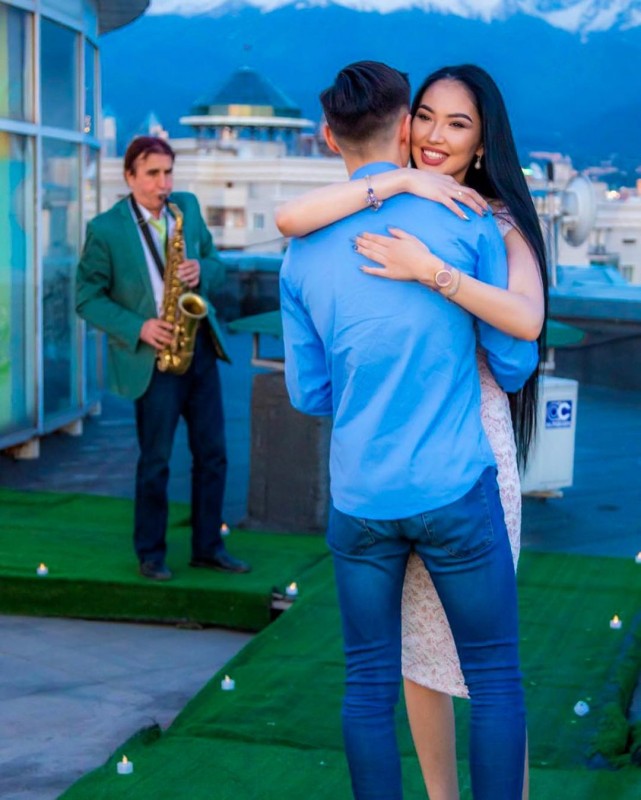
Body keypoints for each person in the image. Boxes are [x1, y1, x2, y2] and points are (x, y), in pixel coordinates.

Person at [276, 63, 547, 800]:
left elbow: (309, 393)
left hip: (361, 496)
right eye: (426, 117)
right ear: (403, 126)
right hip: (454, 484)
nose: (433, 134)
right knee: (493, 678)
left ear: (327, 135)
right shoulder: (467, 221)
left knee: (368, 684)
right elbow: (512, 362)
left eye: (456, 123)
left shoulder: (303, 249)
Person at [76, 136, 251, 581]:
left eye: (168, 172)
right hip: (153, 358)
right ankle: (151, 553)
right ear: (130, 176)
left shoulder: (185, 208)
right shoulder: (106, 229)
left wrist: (202, 269)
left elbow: (215, 263)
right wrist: (140, 327)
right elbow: (87, 298)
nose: (163, 184)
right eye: (152, 174)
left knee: (213, 454)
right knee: (155, 461)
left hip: (199, 348)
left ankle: (208, 547)